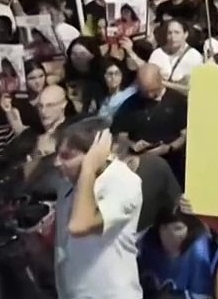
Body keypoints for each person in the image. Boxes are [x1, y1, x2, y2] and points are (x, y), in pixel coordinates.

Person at [53, 118, 143, 299]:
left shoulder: (123, 183)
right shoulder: (67, 183)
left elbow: (79, 226)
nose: (57, 163)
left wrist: (88, 168)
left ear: (95, 155)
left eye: (67, 156)